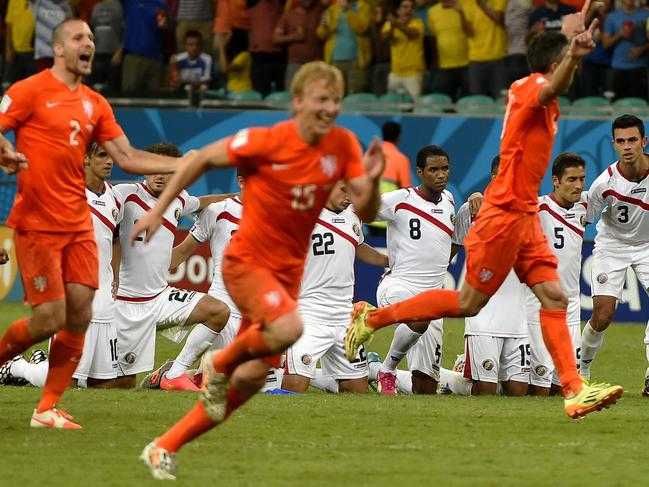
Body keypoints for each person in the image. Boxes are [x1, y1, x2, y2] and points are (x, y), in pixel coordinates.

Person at [345, 13, 624, 419]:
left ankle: (574, 389)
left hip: (523, 215)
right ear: (555, 62)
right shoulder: (532, 87)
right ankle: (375, 317)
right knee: (467, 303)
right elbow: (555, 82)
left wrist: (573, 37)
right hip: (506, 214)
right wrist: (574, 56)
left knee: (554, 297)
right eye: (566, 59)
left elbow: (559, 66)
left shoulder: (541, 84)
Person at [133, 61, 383, 480]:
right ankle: (217, 362)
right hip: (247, 261)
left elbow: (369, 211)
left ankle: (163, 446)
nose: (331, 108)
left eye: (337, 100)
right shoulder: (267, 140)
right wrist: (160, 210)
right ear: (298, 101)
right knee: (289, 329)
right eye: (322, 99)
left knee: (249, 382)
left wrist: (370, 182)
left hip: (285, 275)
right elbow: (198, 161)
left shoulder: (341, 145)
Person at [0, 18, 183, 430]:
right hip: (39, 221)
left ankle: (46, 408)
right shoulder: (27, 91)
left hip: (77, 226)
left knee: (81, 313)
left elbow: (129, 157)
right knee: (50, 319)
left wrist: (186, 163)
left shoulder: (95, 104)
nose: (90, 44)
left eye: (92, 40)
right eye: (80, 37)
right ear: (59, 48)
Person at [111, 142, 231, 391]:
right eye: (154, 167)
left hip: (160, 299)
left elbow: (201, 202)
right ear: (144, 168)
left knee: (218, 311)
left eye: (168, 170)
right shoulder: (124, 194)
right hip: (124, 305)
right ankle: (24, 370)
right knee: (118, 386)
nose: (160, 175)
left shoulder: (179, 199)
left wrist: (237, 199)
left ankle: (174, 373)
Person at [141, 173, 247, 389]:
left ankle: (174, 373)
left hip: (255, 311)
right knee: (222, 385)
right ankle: (173, 374)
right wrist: (143, 269)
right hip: (224, 306)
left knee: (256, 379)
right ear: (242, 181)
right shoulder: (219, 211)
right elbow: (182, 253)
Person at [281, 180, 388, 394]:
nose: (348, 196)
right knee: (293, 389)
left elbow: (358, 247)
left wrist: (389, 262)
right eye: (343, 190)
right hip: (309, 315)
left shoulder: (352, 217)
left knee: (357, 391)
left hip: (345, 316)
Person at [374, 145, 455, 396]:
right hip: (398, 286)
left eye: (445, 169)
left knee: (426, 388)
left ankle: (371, 368)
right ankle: (386, 370)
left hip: (433, 300)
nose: (440, 175)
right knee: (420, 315)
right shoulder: (400, 200)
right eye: (433, 170)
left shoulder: (450, 201)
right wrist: (373, 255)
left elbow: (448, 247)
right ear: (420, 172)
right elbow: (354, 212)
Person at [579, 115, 649, 392]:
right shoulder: (603, 185)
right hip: (613, 247)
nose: (627, 146)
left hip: (647, 246)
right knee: (603, 313)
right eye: (621, 141)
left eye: (632, 140)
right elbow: (584, 219)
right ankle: (581, 370)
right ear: (614, 144)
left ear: (644, 142)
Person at [455, 156, 529, 396]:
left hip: (518, 317)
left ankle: (459, 368)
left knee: (517, 391)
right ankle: (449, 379)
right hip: (483, 316)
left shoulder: (534, 210)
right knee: (485, 389)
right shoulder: (472, 210)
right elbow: (449, 252)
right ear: (493, 178)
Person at [527, 152, 587, 396]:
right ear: (555, 180)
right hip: (539, 306)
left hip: (572, 307)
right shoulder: (537, 208)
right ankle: (455, 377)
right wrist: (477, 196)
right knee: (538, 390)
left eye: (582, 179)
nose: (579, 186)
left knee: (562, 388)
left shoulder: (585, 205)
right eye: (572, 179)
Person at [71, 142, 122, 388]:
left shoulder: (115, 198)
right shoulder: (68, 195)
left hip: (105, 298)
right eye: (102, 155)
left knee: (104, 383)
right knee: (69, 379)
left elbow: (115, 238)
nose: (109, 161)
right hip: (75, 294)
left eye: (112, 156)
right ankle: (21, 369)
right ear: (85, 159)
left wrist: (116, 275)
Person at [381, 0, 425, 99]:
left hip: (413, 74)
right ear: (398, 11)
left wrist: (397, 24)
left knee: (415, 106)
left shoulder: (418, 23)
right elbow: (384, 38)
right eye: (405, 7)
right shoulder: (390, 24)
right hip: (395, 73)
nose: (408, 10)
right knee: (393, 105)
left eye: (411, 8)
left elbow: (412, 34)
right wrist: (392, 27)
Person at [381, 121, 412, 190]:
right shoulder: (402, 159)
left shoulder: (370, 156)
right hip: (390, 199)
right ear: (398, 137)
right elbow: (406, 189)